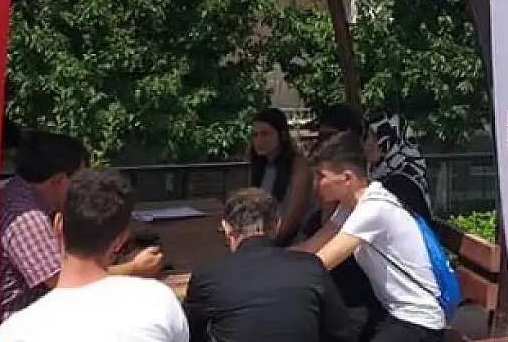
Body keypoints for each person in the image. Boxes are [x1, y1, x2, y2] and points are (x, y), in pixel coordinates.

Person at [0, 169, 189, 342]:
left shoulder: (12, 333)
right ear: (120, 239)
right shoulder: (159, 300)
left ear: (58, 225)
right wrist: (135, 267)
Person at [0, 131, 164, 321]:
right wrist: (135, 268)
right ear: (58, 180)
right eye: (78, 180)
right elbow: (62, 281)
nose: (82, 188)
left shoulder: (20, 194)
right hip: (28, 322)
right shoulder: (27, 218)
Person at [299, 132, 445, 342]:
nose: (316, 184)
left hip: (418, 320)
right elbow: (312, 246)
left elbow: (320, 264)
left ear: (347, 178)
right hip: (393, 313)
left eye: (321, 176)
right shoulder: (349, 206)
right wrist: (269, 261)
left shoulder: (372, 209)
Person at [183, 188, 355, 342]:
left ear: (227, 228)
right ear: (277, 224)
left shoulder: (208, 275)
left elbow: (187, 334)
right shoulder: (310, 267)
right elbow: (341, 332)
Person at [248, 108, 313, 246]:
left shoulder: (299, 166)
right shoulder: (260, 166)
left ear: (282, 135)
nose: (259, 140)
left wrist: (268, 245)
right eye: (255, 135)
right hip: (264, 239)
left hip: (295, 242)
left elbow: (294, 216)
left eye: (265, 134)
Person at [362, 114, 431, 221]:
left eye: (373, 138)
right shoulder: (383, 175)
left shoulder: (402, 182)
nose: (366, 144)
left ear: (389, 142)